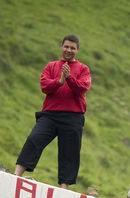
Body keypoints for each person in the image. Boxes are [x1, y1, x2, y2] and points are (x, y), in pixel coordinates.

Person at [14, 34, 91, 189]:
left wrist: (69, 78)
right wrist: (60, 81)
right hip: (50, 114)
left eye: (72, 48)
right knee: (34, 139)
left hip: (73, 116)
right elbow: (45, 86)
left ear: (77, 50)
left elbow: (82, 89)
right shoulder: (51, 66)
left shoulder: (83, 69)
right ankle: (16, 175)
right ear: (61, 47)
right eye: (66, 46)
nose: (69, 50)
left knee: (69, 153)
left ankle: (64, 188)